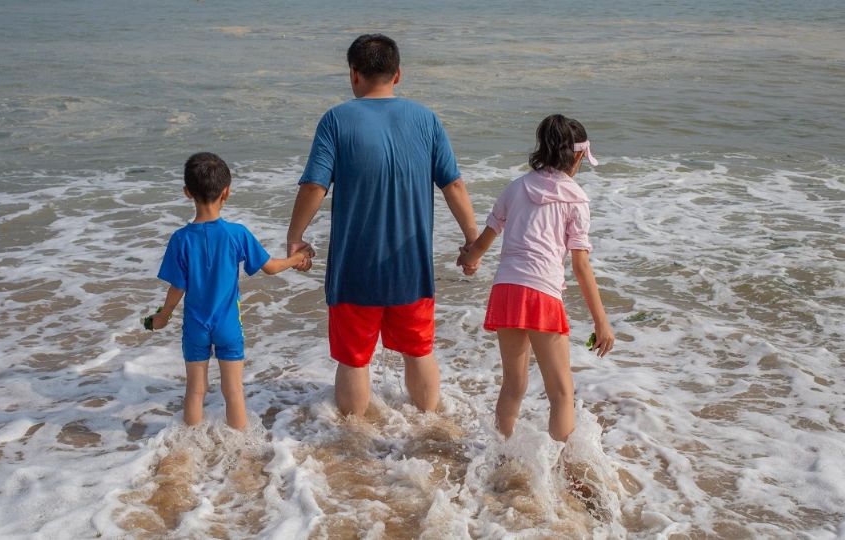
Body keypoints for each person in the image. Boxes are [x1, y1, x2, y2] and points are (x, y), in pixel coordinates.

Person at [286, 34, 478, 416]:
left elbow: (314, 186)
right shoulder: (426, 119)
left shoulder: (336, 120)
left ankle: (352, 440)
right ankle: (429, 425)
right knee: (418, 351)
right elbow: (453, 183)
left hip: (354, 267)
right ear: (398, 74)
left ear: (354, 74)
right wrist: (473, 240)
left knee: (355, 359)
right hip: (411, 264)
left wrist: (295, 237)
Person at [457, 114, 615, 441]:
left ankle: (500, 454)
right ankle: (563, 468)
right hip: (542, 294)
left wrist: (469, 259)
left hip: (507, 290)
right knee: (561, 393)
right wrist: (601, 321)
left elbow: (486, 239)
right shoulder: (576, 199)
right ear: (580, 156)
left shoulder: (516, 188)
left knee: (513, 385)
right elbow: (580, 265)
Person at [150, 152, 310, 428]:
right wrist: (297, 259)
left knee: (195, 391)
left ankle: (188, 445)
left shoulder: (181, 239)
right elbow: (270, 267)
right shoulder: (237, 234)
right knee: (233, 391)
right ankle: (240, 448)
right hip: (228, 326)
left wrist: (163, 316)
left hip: (195, 326)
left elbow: (177, 287)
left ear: (187, 192)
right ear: (227, 192)